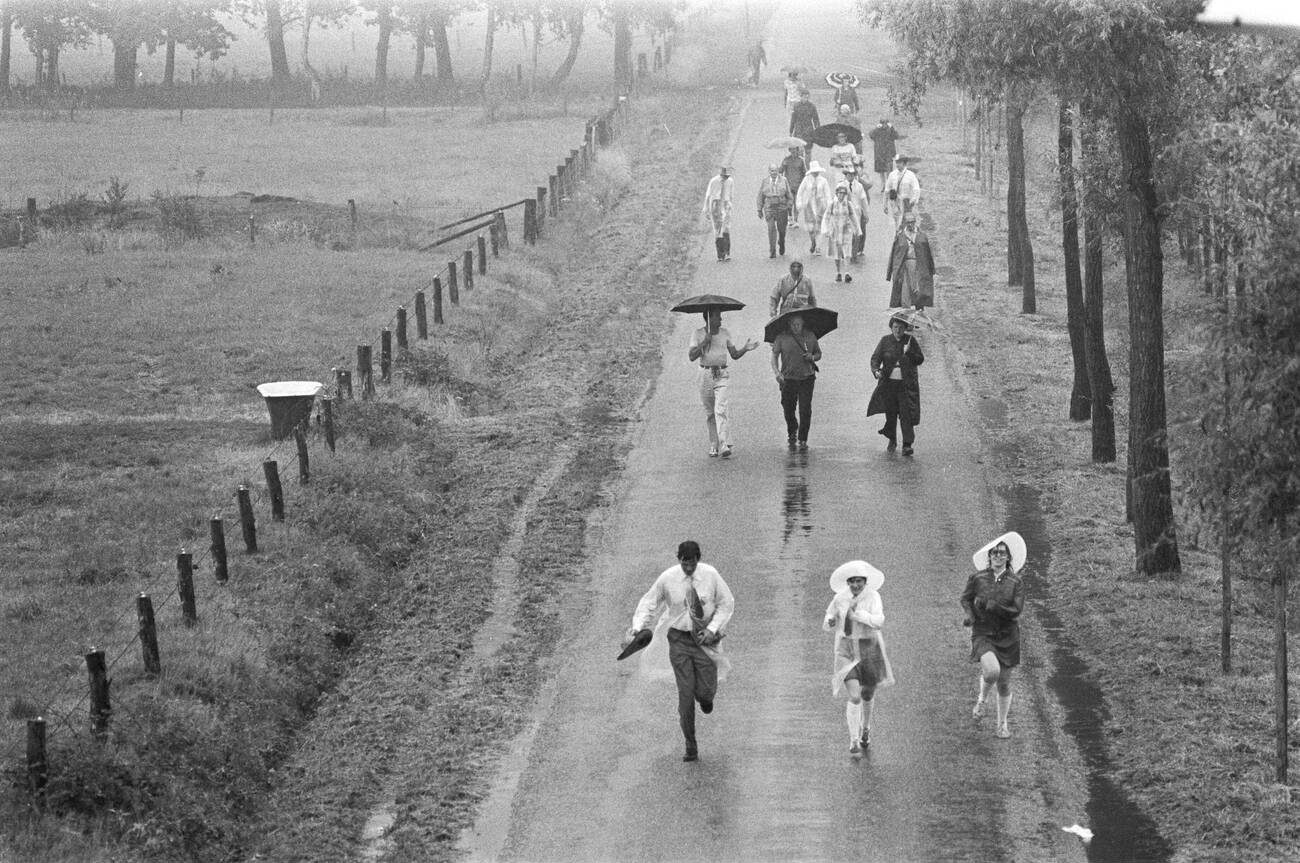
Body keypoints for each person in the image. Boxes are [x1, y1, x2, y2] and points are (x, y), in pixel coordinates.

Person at [624, 540, 735, 762]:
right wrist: (636, 629)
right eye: (685, 565)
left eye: (692, 565)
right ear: (679, 560)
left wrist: (713, 629)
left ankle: (704, 697)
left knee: (704, 693)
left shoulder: (711, 575)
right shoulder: (667, 578)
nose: (688, 569)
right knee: (685, 694)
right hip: (679, 641)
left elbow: (726, 603)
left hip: (704, 640)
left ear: (698, 559)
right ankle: (690, 744)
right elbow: (649, 603)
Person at [960, 532, 1027, 739]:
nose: (998, 556)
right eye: (994, 553)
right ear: (989, 556)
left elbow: (1016, 611)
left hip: (1008, 636)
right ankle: (982, 700)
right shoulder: (978, 578)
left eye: (1002, 553)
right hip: (983, 633)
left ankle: (1002, 724)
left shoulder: (1016, 582)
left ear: (1008, 557)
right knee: (991, 672)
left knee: (1004, 683)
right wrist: (971, 616)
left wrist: (995, 607)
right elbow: (965, 599)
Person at [823, 560, 893, 754]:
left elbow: (879, 622)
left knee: (867, 694)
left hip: (869, 647)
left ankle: (866, 728)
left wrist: (859, 615)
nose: (855, 585)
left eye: (859, 581)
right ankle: (853, 739)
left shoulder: (873, 597)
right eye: (852, 581)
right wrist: (830, 621)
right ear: (847, 582)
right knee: (854, 697)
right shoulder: (840, 598)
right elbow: (828, 620)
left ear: (865, 582)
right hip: (845, 648)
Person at [689, 308, 760, 458]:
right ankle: (714, 444)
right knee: (710, 413)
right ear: (709, 319)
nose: (721, 320)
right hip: (705, 374)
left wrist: (745, 349)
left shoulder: (725, 333)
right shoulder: (698, 334)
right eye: (718, 317)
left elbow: (734, 355)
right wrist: (704, 343)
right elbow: (691, 356)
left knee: (720, 408)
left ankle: (724, 444)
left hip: (721, 373)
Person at [867, 313, 924, 455]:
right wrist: (876, 371)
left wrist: (909, 353)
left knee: (906, 414)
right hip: (889, 384)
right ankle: (892, 439)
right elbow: (875, 359)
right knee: (891, 413)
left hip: (906, 385)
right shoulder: (885, 341)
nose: (897, 330)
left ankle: (907, 444)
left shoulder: (911, 341)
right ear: (891, 327)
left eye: (900, 327)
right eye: (895, 327)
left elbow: (920, 359)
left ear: (905, 328)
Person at [771, 313, 821, 450]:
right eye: (793, 324)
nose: (796, 327)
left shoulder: (810, 336)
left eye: (798, 324)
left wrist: (812, 357)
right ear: (789, 324)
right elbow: (774, 356)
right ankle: (792, 429)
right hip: (788, 379)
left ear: (803, 323)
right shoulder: (781, 337)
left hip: (807, 378)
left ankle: (803, 438)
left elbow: (818, 353)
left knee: (805, 409)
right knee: (788, 409)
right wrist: (777, 373)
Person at [886, 211, 936, 308]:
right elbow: (894, 255)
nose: (910, 224)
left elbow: (927, 255)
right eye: (908, 222)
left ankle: (918, 312)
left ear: (915, 222)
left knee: (918, 291)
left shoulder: (922, 236)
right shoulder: (900, 236)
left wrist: (931, 270)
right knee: (905, 291)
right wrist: (890, 273)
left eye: (912, 222)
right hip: (905, 267)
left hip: (918, 267)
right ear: (904, 223)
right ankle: (906, 312)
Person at [820, 182, 862, 283]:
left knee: (847, 252)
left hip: (846, 230)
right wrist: (825, 229)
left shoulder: (848, 204)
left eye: (843, 193)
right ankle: (838, 272)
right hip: (835, 231)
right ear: (836, 193)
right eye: (840, 193)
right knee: (837, 253)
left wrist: (857, 230)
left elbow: (853, 217)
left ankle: (847, 272)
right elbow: (826, 217)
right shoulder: (832, 204)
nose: (841, 195)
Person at [756, 162, 794, 258]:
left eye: (776, 171)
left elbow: (789, 195)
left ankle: (781, 242)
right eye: (772, 171)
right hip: (769, 208)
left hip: (781, 207)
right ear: (769, 171)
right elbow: (760, 196)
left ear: (778, 171)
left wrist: (789, 205)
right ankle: (772, 250)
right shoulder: (765, 181)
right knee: (771, 229)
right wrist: (759, 209)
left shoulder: (784, 180)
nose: (774, 173)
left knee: (782, 230)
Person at [795, 161, 831, 255]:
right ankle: (813, 242)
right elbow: (800, 191)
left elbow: (827, 194)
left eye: (817, 171)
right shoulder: (806, 180)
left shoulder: (823, 181)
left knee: (819, 228)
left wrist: (829, 206)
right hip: (809, 206)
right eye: (814, 171)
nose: (816, 173)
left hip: (820, 205)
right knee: (811, 228)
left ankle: (818, 247)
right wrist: (799, 203)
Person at [701, 166, 734, 262]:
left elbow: (731, 194)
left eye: (727, 176)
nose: (726, 178)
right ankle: (720, 254)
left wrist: (730, 205)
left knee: (726, 229)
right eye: (724, 176)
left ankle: (727, 253)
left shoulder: (730, 181)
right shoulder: (713, 181)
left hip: (726, 205)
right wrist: (706, 208)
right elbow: (708, 194)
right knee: (718, 230)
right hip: (716, 205)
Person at [842, 160, 871, 262]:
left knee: (856, 233)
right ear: (846, 175)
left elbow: (864, 200)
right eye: (848, 175)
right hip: (844, 213)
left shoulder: (859, 186)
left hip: (857, 212)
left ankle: (854, 254)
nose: (850, 177)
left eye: (852, 175)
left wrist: (866, 213)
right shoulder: (841, 186)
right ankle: (845, 253)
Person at [868, 118, 904, 192]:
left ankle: (889, 185)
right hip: (879, 153)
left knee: (889, 170)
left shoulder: (890, 130)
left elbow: (896, 136)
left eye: (885, 123)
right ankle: (883, 185)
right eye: (882, 123)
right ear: (880, 124)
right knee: (881, 171)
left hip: (888, 153)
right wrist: (876, 128)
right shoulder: (877, 130)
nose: (884, 125)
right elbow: (871, 135)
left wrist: (892, 127)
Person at [789, 89, 820, 163]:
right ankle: (801, 166)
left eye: (807, 97)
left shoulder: (812, 106)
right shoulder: (796, 106)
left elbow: (816, 119)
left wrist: (818, 130)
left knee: (808, 150)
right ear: (801, 96)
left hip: (808, 129)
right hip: (799, 129)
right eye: (804, 96)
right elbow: (793, 119)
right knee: (799, 150)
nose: (805, 98)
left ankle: (808, 166)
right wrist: (791, 130)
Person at [780, 148, 807, 229]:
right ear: (789, 150)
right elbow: (780, 171)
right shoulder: (786, 160)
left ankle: (796, 220)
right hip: (788, 185)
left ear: (797, 150)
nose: (793, 151)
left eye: (795, 150)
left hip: (798, 185)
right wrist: (783, 165)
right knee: (789, 203)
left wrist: (804, 183)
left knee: (796, 203)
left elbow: (805, 173)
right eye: (792, 150)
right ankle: (790, 218)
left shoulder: (801, 160)